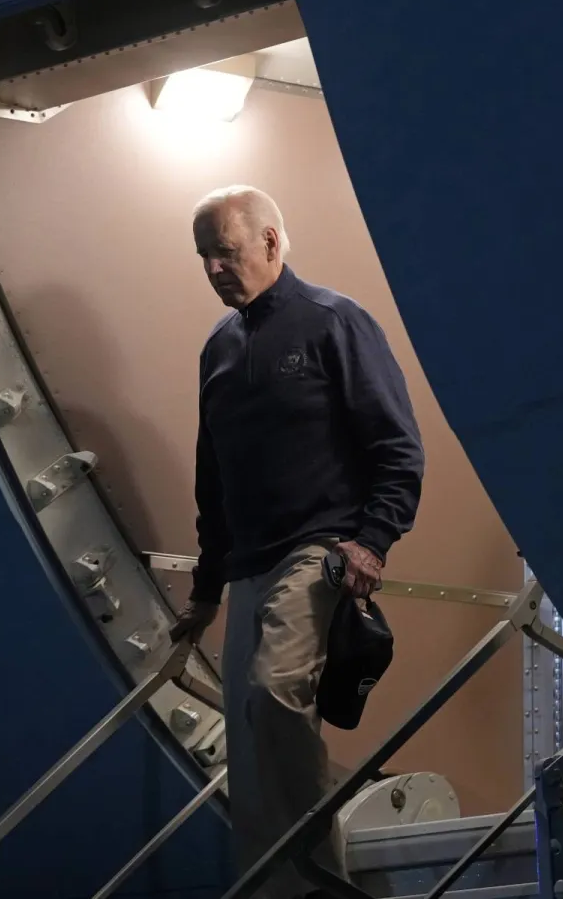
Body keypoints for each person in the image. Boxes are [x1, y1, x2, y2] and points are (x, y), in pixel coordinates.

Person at [170, 185, 425, 898]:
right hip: (249, 562)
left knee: (276, 693)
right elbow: (211, 481)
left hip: (320, 550)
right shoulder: (217, 351)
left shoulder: (333, 322)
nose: (215, 267)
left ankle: (317, 883)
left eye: (225, 250)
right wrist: (203, 591)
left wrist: (373, 540)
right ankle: (274, 888)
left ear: (272, 243)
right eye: (204, 257)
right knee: (250, 740)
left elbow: (398, 448)